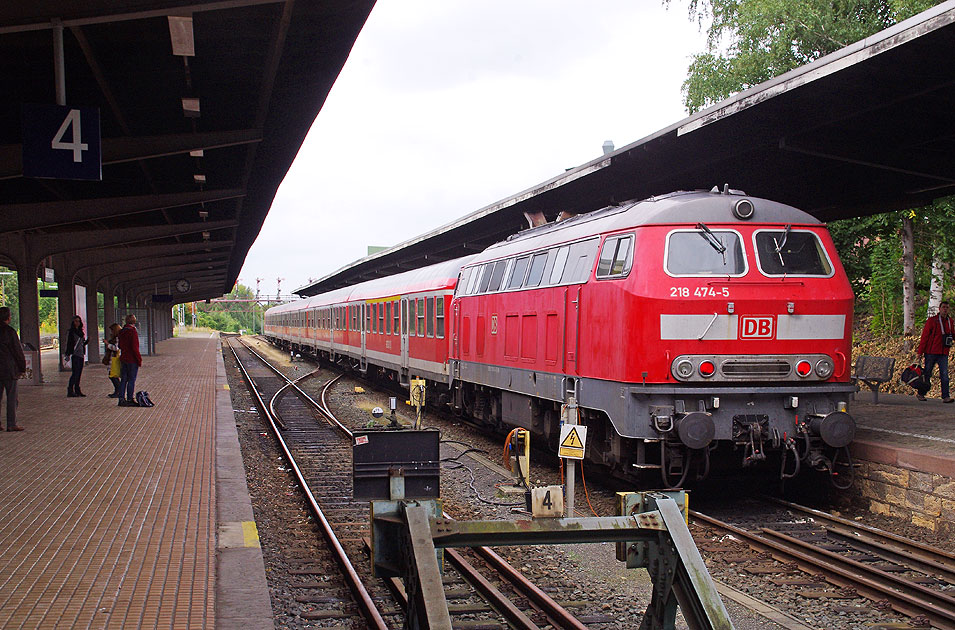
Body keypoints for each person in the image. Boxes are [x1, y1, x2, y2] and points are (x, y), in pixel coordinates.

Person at [917, 300, 955, 403]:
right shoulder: (932, 321)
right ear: (939, 309)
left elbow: (952, 334)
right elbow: (925, 337)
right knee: (927, 373)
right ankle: (921, 393)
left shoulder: (950, 321)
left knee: (944, 374)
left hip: (943, 352)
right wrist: (920, 352)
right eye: (943, 307)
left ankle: (946, 396)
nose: (945, 309)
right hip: (931, 352)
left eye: (947, 308)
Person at [0, 307, 26, 431]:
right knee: (11, 397)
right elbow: (17, 351)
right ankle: (11, 424)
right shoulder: (10, 332)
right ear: (8, 317)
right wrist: (22, 367)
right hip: (9, 370)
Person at [117, 314, 143, 407]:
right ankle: (129, 398)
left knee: (123, 379)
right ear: (134, 321)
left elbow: (120, 345)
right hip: (132, 359)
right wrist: (139, 359)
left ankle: (121, 398)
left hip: (124, 358)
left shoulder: (122, 332)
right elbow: (135, 347)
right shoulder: (132, 331)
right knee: (131, 379)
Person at [65, 315, 88, 397]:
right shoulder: (71, 332)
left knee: (79, 373)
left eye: (78, 321)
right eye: (75, 321)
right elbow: (69, 343)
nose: (77, 323)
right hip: (75, 354)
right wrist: (68, 354)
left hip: (81, 354)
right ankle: (70, 390)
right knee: (75, 373)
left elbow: (82, 344)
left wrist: (87, 341)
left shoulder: (80, 332)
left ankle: (77, 389)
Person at [103, 323, 122, 398]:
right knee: (112, 375)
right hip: (112, 358)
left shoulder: (117, 338)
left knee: (112, 375)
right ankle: (118, 390)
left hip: (114, 359)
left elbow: (116, 348)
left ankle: (118, 390)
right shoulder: (115, 338)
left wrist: (108, 344)